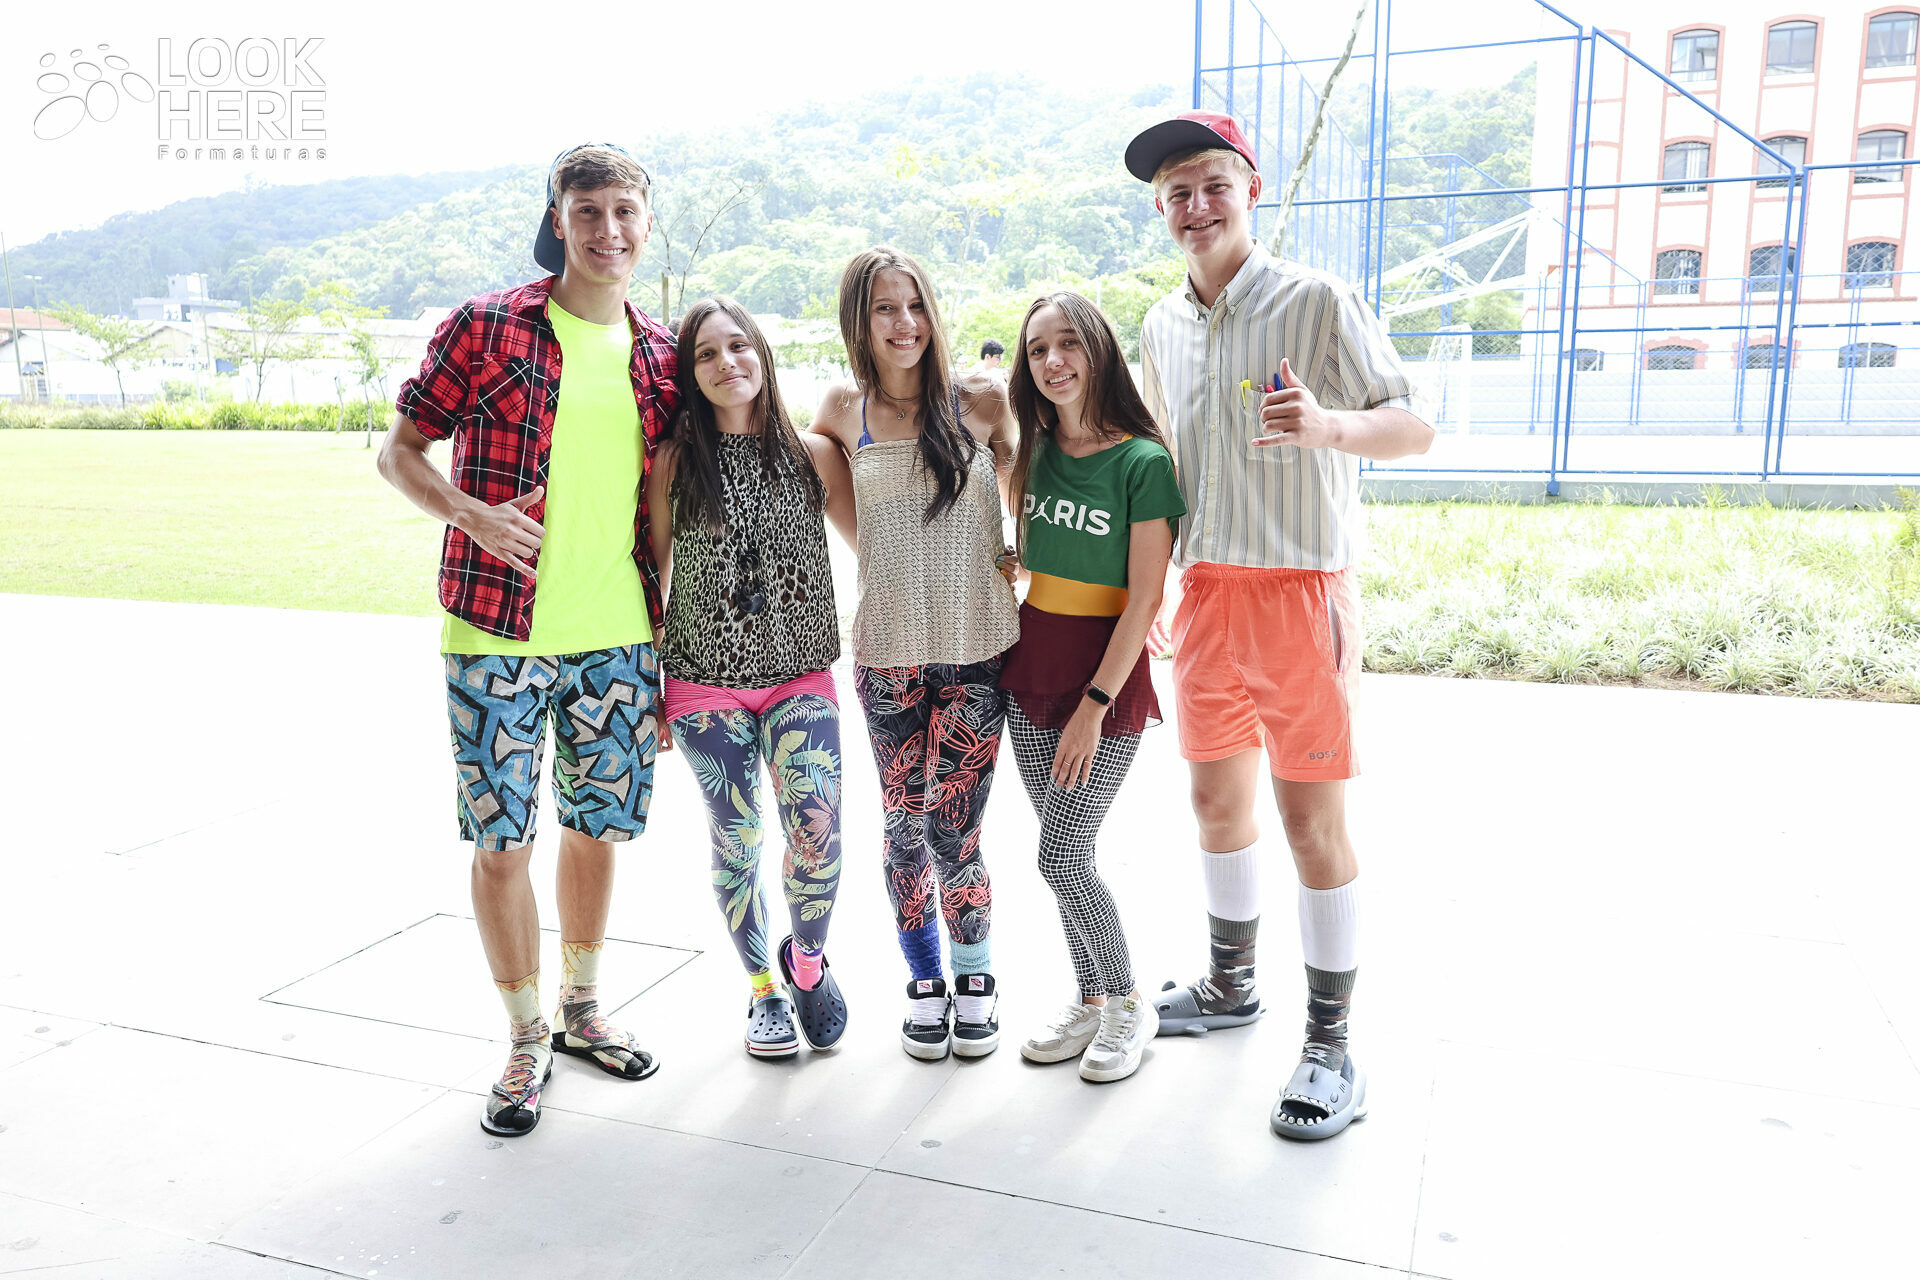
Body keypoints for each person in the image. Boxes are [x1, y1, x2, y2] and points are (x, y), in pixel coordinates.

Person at [1124, 112, 1434, 1138]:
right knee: (1216, 806)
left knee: (1311, 825)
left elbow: (1413, 424)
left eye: (1213, 184)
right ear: (1160, 210)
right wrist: (1153, 592)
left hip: (1302, 593)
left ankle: (1332, 1045)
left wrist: (1330, 425)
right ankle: (1230, 984)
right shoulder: (1160, 327)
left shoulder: (1315, 301)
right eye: (1176, 192)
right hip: (1206, 594)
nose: (1196, 206)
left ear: (1250, 189)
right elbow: (1165, 463)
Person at [378, 141, 677, 1136]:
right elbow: (399, 451)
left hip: (618, 638)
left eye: (624, 210)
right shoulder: (488, 326)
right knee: (502, 844)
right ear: (559, 220)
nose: (607, 230)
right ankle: (523, 1036)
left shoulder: (661, 354)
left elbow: (671, 506)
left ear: (646, 222)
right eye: (586, 211)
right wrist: (468, 512)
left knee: (596, 830)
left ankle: (582, 1010)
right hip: (494, 634)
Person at [811, 246, 1021, 1062]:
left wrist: (1014, 556)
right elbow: (856, 526)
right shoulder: (841, 409)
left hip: (977, 651)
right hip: (888, 654)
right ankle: (925, 979)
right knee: (903, 828)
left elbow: (1031, 493)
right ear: (858, 322)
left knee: (954, 830)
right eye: (884, 309)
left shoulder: (982, 400)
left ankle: (977, 976)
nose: (904, 323)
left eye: (915, 306)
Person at [645, 296, 857, 1060]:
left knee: (818, 833)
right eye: (705, 354)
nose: (725, 362)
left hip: (800, 676)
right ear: (690, 373)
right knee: (736, 841)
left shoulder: (814, 455)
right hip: (703, 683)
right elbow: (655, 577)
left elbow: (876, 545)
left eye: (737, 346)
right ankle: (763, 990)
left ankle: (807, 964)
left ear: (761, 353)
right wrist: (650, 687)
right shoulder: (674, 463)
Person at [1000, 291, 1185, 1084]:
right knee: (1063, 854)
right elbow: (1031, 557)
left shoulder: (1143, 462)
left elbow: (1144, 599)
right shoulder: (1036, 450)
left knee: (1063, 854)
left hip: (1101, 681)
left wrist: (1094, 708)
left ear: (1099, 350)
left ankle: (1129, 1003)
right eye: (1038, 349)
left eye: (1068, 343)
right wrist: (1009, 565)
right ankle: (1090, 1000)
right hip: (1028, 668)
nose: (1053, 361)